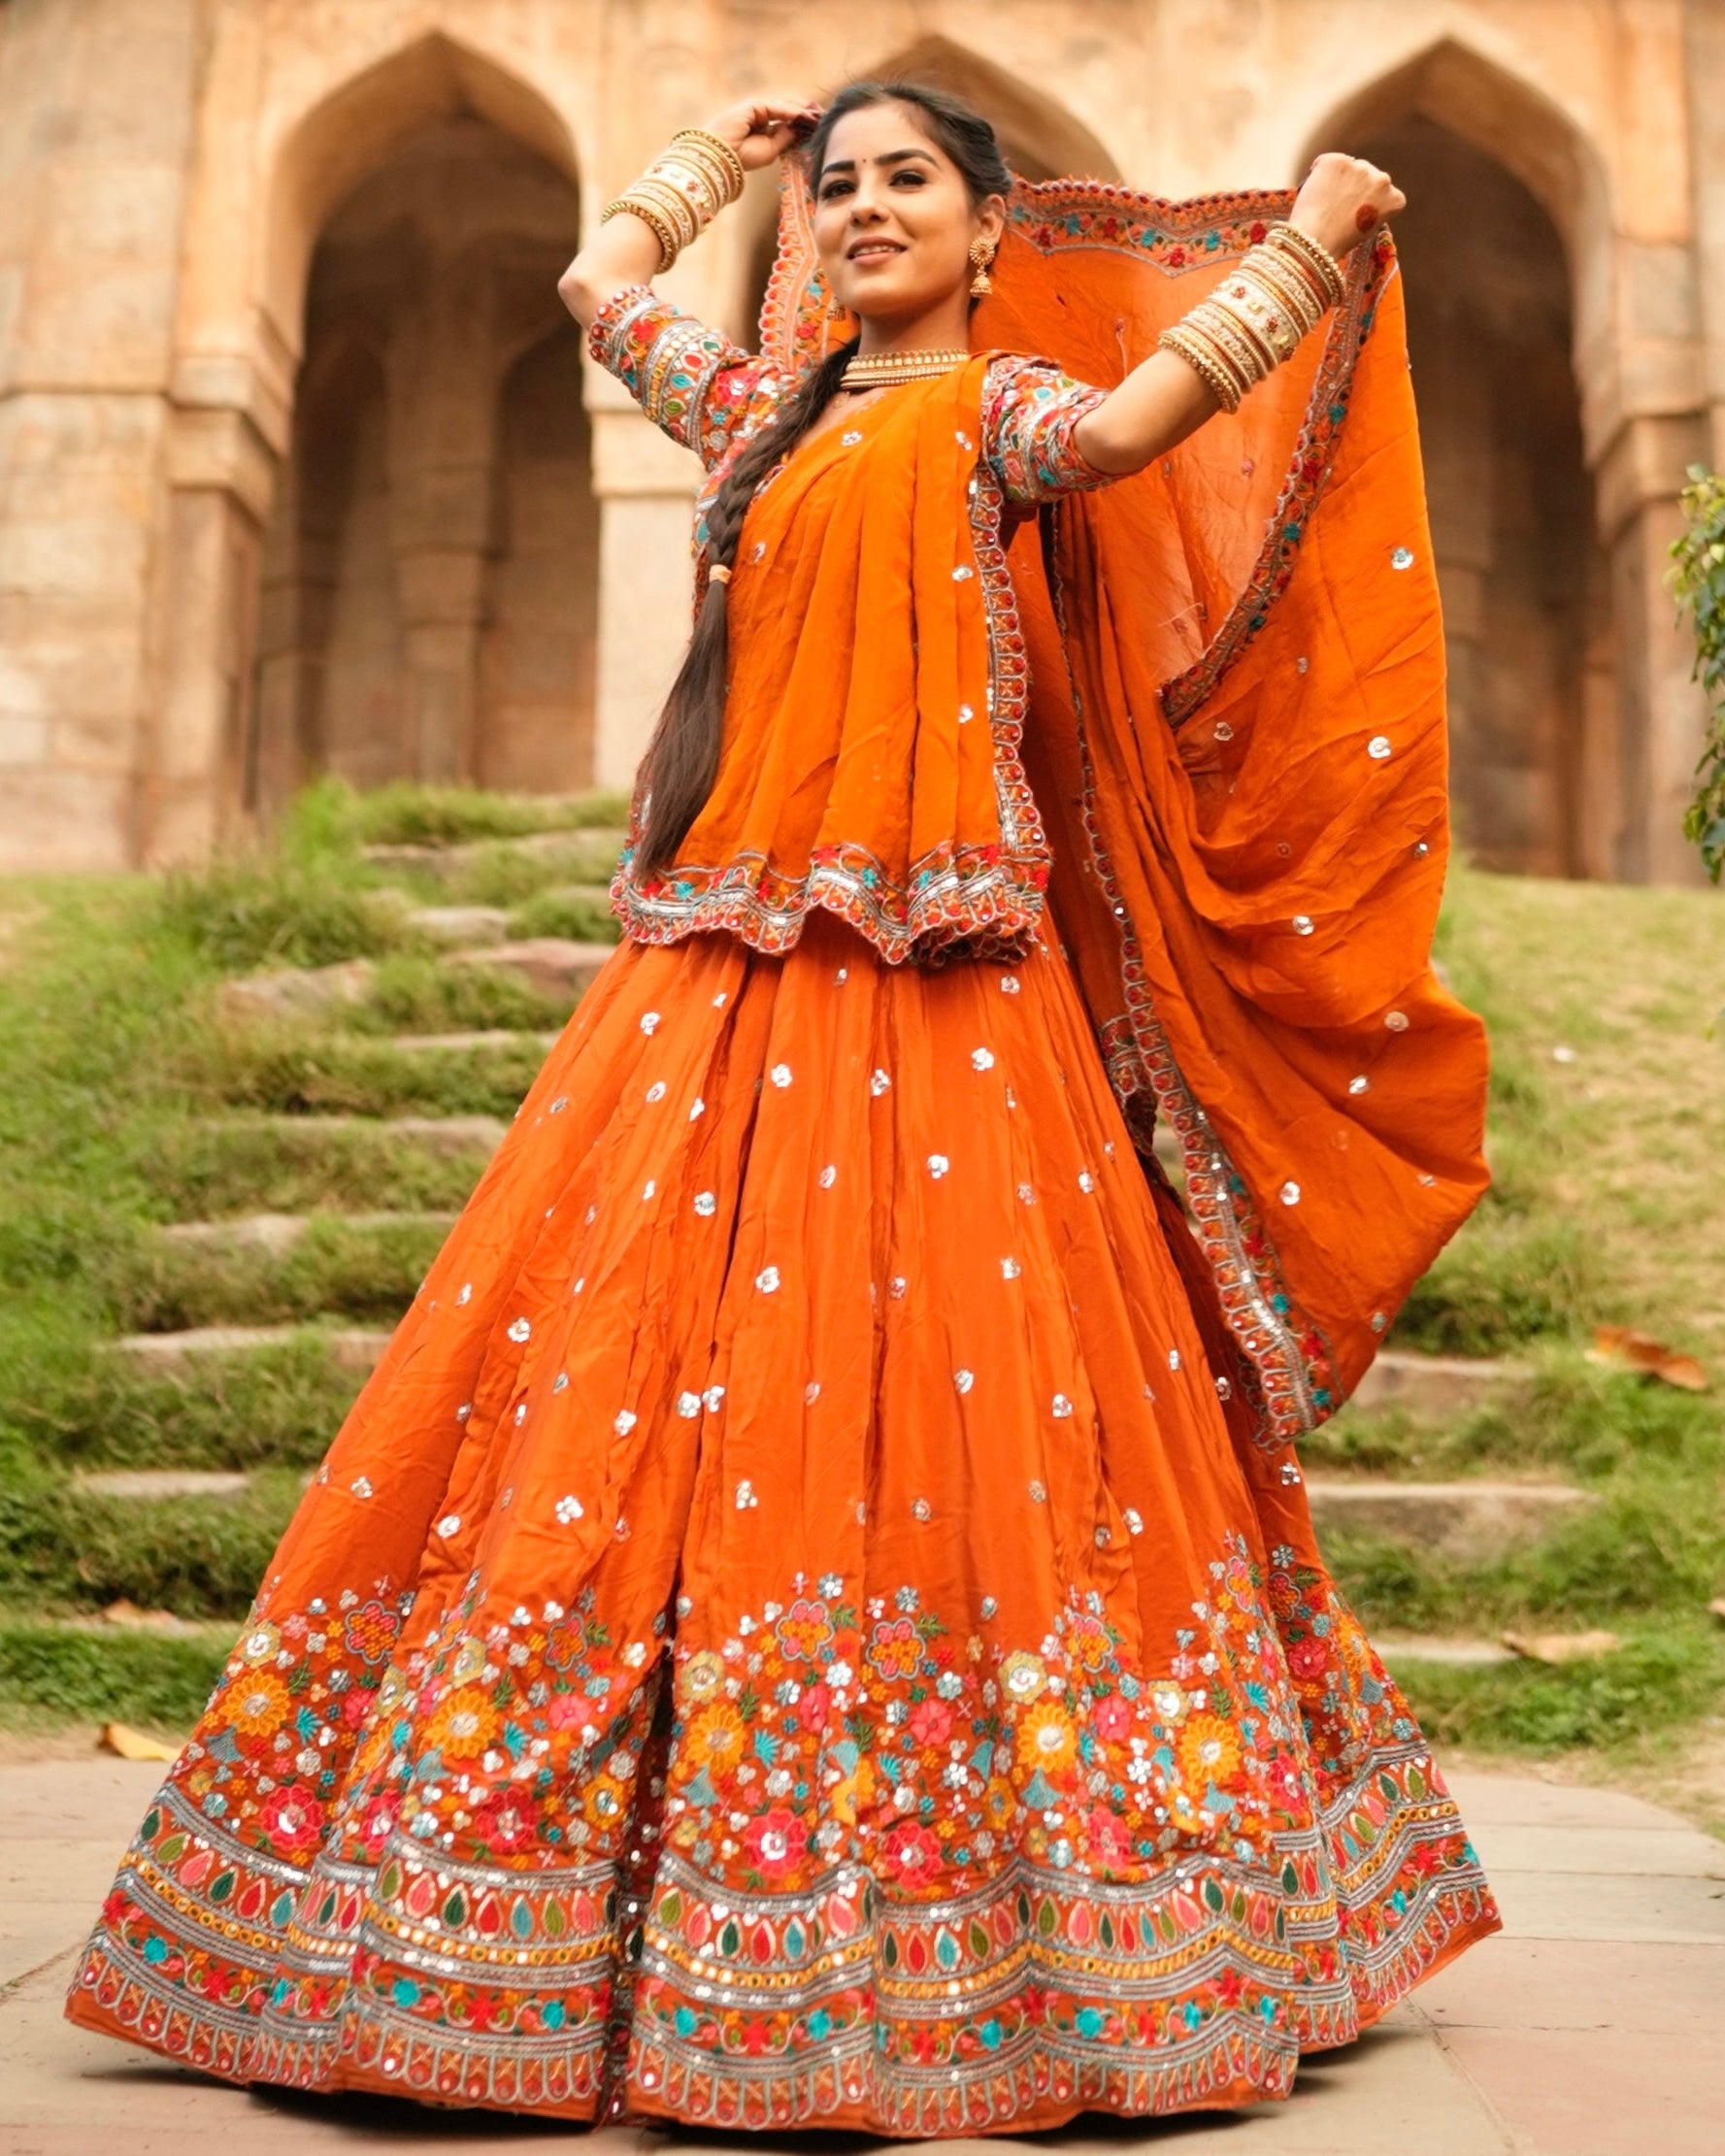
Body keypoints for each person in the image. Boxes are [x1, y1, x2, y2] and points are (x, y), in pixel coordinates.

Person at [68, 81, 1499, 2136]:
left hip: (948, 1000)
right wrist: (705, 172)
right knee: (615, 1393)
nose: (864, 209)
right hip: (710, 989)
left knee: (971, 1424)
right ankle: (527, 1917)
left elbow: (1121, 433)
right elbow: (595, 281)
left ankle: (1034, 1932)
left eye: (905, 178)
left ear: (990, 227)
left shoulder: (993, 411)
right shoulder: (765, 418)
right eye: (839, 188)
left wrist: (1311, 238)